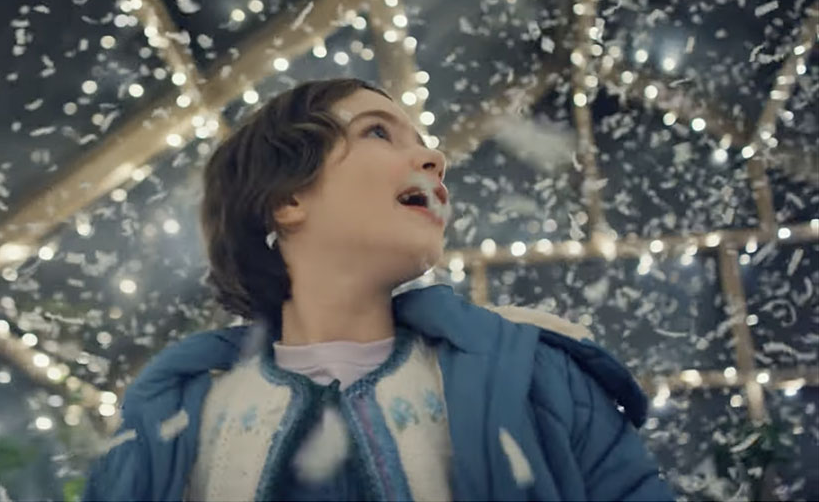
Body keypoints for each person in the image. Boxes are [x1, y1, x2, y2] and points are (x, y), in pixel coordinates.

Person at [83, 78, 674, 501]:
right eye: (377, 132)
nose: (434, 157)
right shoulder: (175, 418)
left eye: (421, 139)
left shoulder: (543, 379)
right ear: (287, 200)